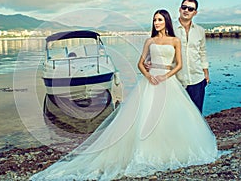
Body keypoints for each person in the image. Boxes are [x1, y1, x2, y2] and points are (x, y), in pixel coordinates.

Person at [30, 9, 218, 181]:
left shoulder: (174, 41)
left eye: (159, 20)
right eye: (154, 20)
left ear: (166, 21)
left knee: (171, 117)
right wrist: (149, 75)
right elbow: (140, 63)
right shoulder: (150, 41)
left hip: (167, 81)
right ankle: (145, 150)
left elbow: (179, 64)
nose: (156, 23)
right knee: (146, 117)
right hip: (151, 80)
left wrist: (165, 76)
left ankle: (171, 149)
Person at [173, 0, 209, 113]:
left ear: (195, 12)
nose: (186, 10)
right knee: (177, 115)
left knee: (197, 114)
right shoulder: (169, 29)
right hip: (176, 80)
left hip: (197, 79)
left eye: (190, 8)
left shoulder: (200, 31)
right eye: (184, 7)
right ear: (179, 9)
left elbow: (202, 52)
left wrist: (206, 72)